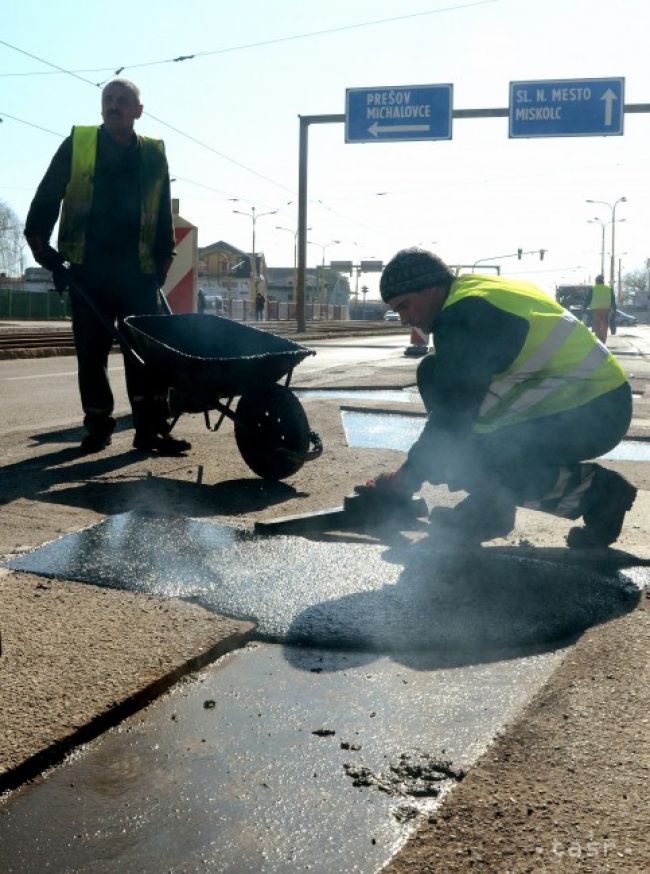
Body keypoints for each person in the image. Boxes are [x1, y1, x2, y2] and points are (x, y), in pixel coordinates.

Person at [356, 248, 637, 549]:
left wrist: (405, 480)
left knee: (475, 450)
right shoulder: (470, 296)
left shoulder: (464, 317)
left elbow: (453, 419)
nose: (404, 320)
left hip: (594, 409)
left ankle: (600, 494)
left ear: (431, 288)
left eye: (405, 306)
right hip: (587, 399)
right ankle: (489, 506)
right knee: (435, 376)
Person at [24, 78, 191, 456]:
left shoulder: (153, 153)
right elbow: (47, 197)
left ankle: (150, 431)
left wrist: (162, 265)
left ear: (138, 111)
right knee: (91, 354)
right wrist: (47, 255)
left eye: (122, 101)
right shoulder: (79, 144)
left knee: (145, 357)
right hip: (89, 270)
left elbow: (162, 211)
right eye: (108, 100)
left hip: (137, 272)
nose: (113, 106)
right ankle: (98, 427)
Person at [584, 274, 616, 344]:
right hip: (606, 310)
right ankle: (604, 339)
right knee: (605, 324)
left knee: (596, 323)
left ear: (596, 281)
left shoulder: (593, 288)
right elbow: (613, 300)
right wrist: (614, 309)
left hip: (596, 310)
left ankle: (598, 338)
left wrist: (584, 307)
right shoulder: (609, 288)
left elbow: (588, 299)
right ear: (603, 281)